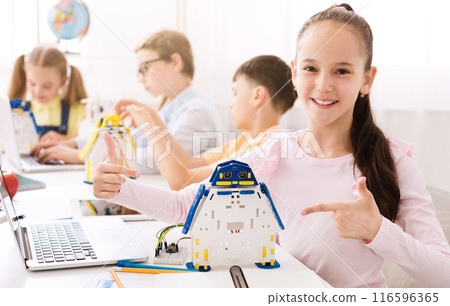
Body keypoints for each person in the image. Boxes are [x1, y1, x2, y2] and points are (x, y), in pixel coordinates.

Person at [92, 4, 450, 287]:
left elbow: (444, 275)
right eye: (311, 68)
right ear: (294, 74)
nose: (323, 84)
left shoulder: (393, 161)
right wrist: (120, 189)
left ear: (366, 79)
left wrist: (379, 232)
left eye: (341, 71)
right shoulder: (274, 151)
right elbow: (187, 205)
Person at [122, 55, 297, 190]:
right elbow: (188, 163)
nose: (231, 102)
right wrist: (152, 117)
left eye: (235, 93)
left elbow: (182, 181)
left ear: (257, 96)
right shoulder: (245, 141)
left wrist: (149, 127)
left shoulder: (263, 147)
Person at [115, 29, 223, 162]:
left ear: (175, 62)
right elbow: (136, 143)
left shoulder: (198, 111)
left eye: (146, 68)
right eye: (139, 71)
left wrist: (105, 154)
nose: (141, 79)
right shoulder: (167, 108)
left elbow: (161, 159)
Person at [8, 45, 88, 164]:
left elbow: (92, 140)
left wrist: (65, 139)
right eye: (32, 83)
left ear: (63, 81)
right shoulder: (18, 111)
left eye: (47, 86)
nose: (38, 91)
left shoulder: (80, 109)